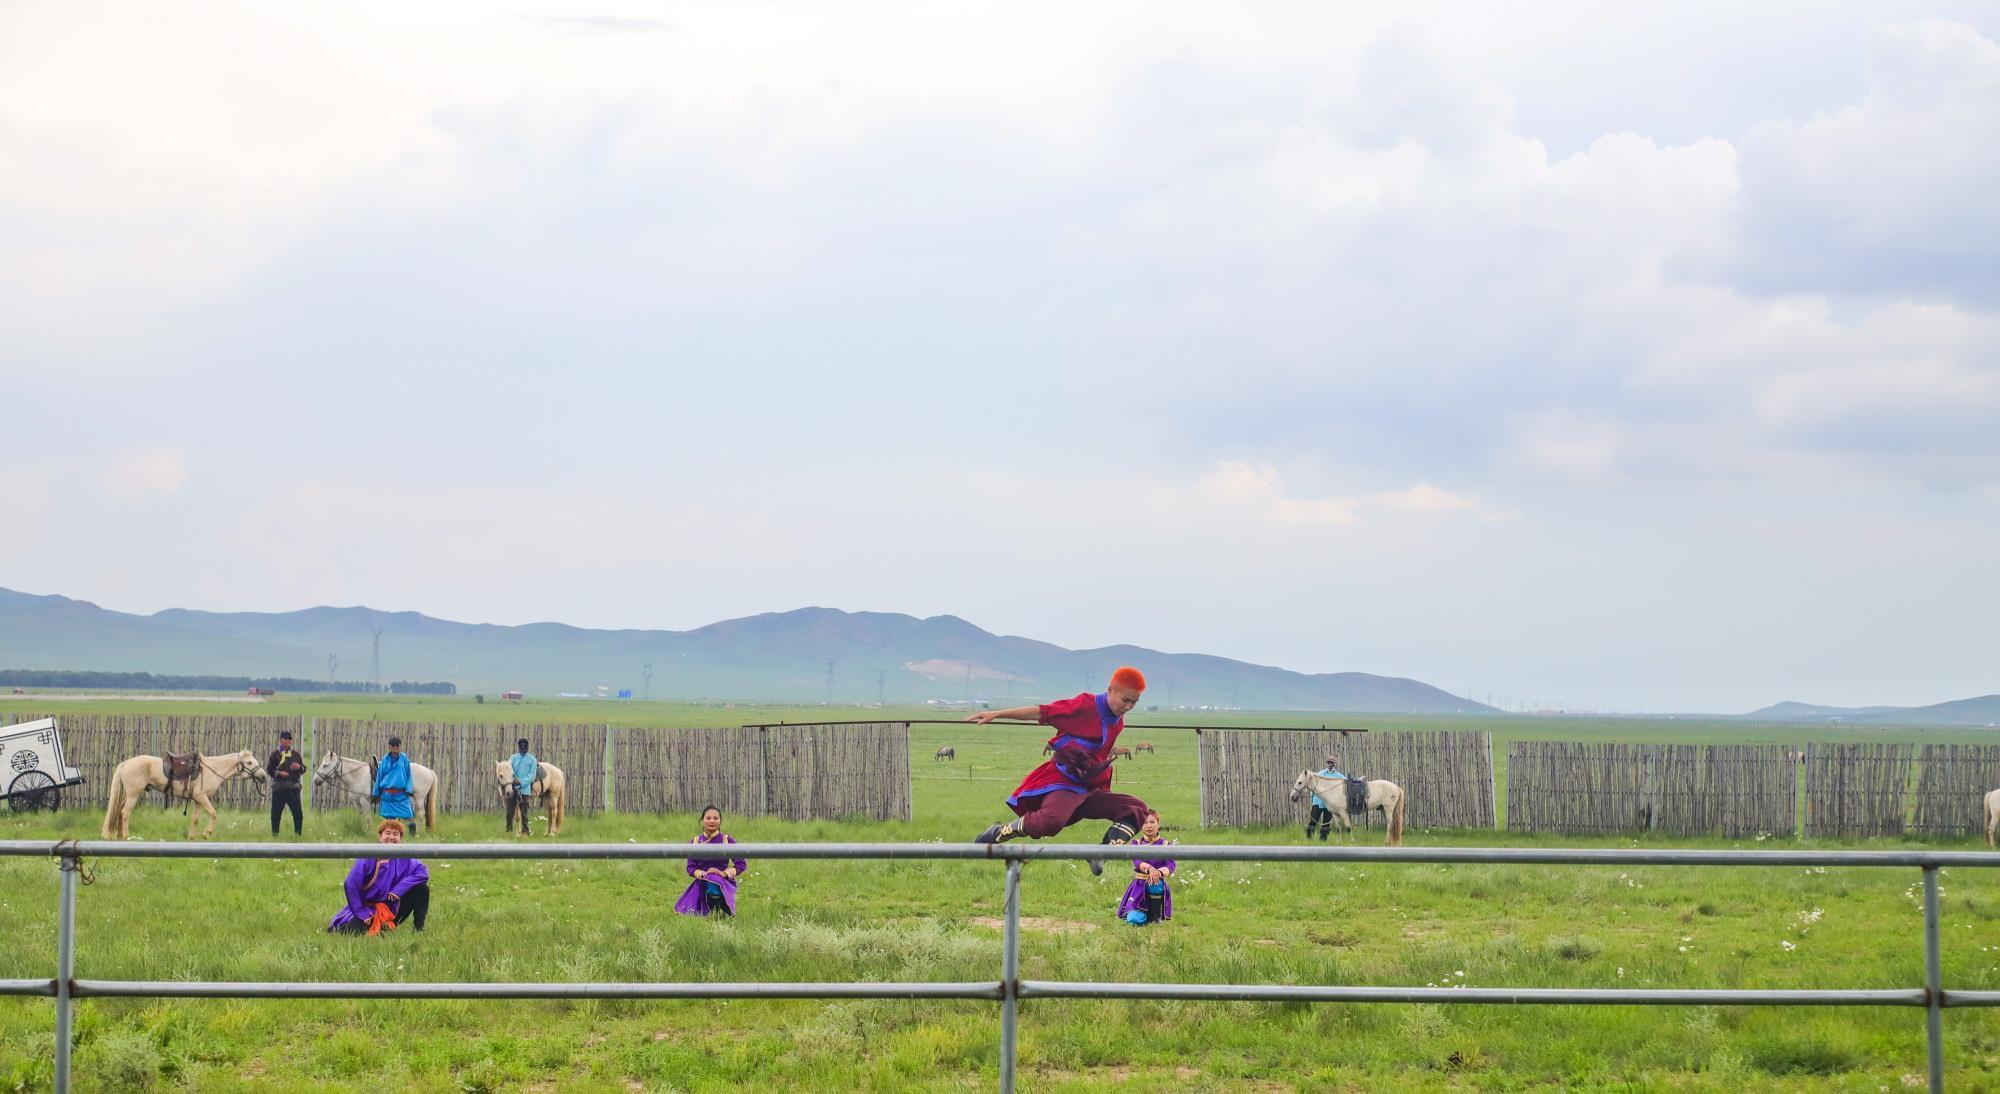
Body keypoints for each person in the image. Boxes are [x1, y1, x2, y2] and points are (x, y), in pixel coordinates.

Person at [966, 666, 1150, 876]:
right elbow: (1043, 711)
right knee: (1051, 822)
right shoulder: (1085, 705)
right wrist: (998, 714)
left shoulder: (1118, 719)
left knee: (1137, 809)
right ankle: (1001, 832)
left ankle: (1103, 852)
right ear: (1110, 691)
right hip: (1065, 782)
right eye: (1125, 700)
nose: (1128, 706)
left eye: (1134, 702)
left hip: (1091, 787)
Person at [328, 819, 429, 934]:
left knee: (421, 888)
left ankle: (418, 929)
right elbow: (351, 884)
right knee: (353, 931)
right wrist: (361, 913)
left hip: (391, 908)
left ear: (400, 839)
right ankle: (373, 926)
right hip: (368, 910)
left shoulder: (404, 857)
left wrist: (398, 890)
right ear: (380, 837)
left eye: (396, 834)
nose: (391, 837)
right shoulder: (368, 857)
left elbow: (422, 872)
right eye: (388, 833)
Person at [675, 806, 746, 917]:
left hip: (722, 881)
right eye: (708, 818)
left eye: (715, 818)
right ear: (702, 820)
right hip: (702, 880)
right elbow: (690, 868)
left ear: (720, 820)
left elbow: (741, 864)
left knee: (714, 882)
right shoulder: (695, 842)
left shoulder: (727, 840)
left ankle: (719, 908)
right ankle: (710, 911)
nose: (712, 821)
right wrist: (703, 874)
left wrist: (723, 873)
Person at [1116, 810, 1176, 926]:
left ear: (1158, 824)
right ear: (1140, 826)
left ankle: (1155, 916)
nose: (1149, 826)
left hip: (1157, 884)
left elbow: (1171, 864)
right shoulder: (1136, 844)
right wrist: (1150, 869)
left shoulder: (1166, 845)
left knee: (1155, 882)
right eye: (1145, 822)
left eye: (1152, 822)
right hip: (1139, 887)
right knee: (1133, 919)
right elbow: (1137, 861)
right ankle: (1146, 917)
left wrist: (1158, 872)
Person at [266, 729, 307, 837]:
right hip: (279, 788)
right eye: (285, 740)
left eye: (289, 740)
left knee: (298, 814)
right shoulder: (275, 754)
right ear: (280, 740)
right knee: (275, 814)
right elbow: (269, 769)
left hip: (293, 788)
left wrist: (299, 767)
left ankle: (298, 835)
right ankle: (275, 835)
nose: (287, 742)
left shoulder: (296, 754)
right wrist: (279, 773)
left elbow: (303, 769)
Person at [372, 736, 414, 834]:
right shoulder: (385, 760)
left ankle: (413, 839)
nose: (395, 747)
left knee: (409, 818)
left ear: (399, 746)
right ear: (389, 747)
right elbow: (379, 776)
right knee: (389, 822)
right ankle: (389, 838)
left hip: (401, 796)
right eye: (393, 745)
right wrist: (376, 792)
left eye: (397, 745)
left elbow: (408, 775)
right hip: (388, 796)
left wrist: (408, 790)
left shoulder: (404, 759)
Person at [1307, 754, 1346, 841]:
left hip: (1329, 804)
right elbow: (1313, 785)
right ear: (1327, 764)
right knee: (1313, 820)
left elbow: (1346, 781)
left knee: (1326, 822)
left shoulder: (1339, 776)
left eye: (1332, 763)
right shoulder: (1320, 774)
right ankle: (1309, 838)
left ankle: (1323, 839)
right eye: (1329, 763)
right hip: (1318, 802)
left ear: (1335, 764)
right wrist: (1312, 798)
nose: (1330, 765)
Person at [507, 738, 538, 836]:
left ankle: (525, 831)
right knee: (509, 812)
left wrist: (520, 782)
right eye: (521, 746)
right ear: (519, 747)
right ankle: (509, 831)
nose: (523, 748)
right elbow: (508, 770)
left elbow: (532, 776)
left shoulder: (532, 760)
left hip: (524, 789)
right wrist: (513, 780)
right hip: (513, 789)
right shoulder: (512, 758)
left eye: (525, 746)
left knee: (524, 812)